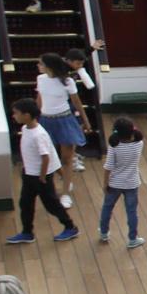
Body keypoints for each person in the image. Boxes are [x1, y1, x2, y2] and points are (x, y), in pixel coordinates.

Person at [7, 97, 79, 244]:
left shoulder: (39, 134)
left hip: (39, 177)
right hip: (29, 174)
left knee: (51, 204)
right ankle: (27, 232)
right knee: (25, 203)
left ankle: (70, 227)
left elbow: (46, 157)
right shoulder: (26, 129)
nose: (14, 116)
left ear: (26, 115)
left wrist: (42, 176)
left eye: (16, 113)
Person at [36, 52, 91, 203]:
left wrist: (86, 121)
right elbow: (39, 100)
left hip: (65, 120)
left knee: (66, 159)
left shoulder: (67, 81)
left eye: (41, 63)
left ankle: (65, 194)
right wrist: (34, 121)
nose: (38, 66)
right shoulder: (40, 79)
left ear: (49, 66)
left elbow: (77, 102)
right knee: (48, 155)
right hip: (46, 121)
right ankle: (63, 176)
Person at [99, 115, 146, 248]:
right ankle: (132, 239)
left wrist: (105, 183)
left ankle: (103, 232)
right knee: (132, 212)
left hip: (114, 183)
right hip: (132, 183)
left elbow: (108, 167)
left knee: (107, 208)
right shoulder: (139, 144)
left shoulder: (114, 146)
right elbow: (137, 133)